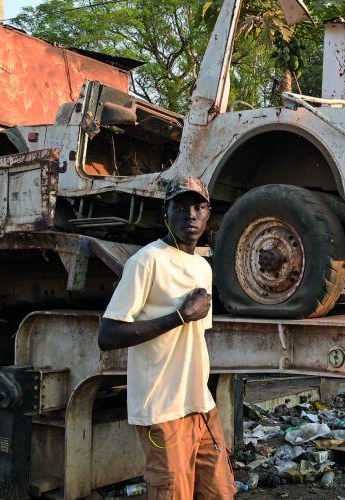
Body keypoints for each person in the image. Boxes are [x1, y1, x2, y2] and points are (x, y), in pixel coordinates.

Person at [98, 176, 235, 499]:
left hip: (200, 406)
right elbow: (107, 335)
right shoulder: (146, 262)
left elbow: (195, 341)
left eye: (198, 207)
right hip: (162, 410)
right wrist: (179, 316)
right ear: (166, 212)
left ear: (208, 214)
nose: (190, 215)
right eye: (181, 206)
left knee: (221, 491)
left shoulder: (203, 267)